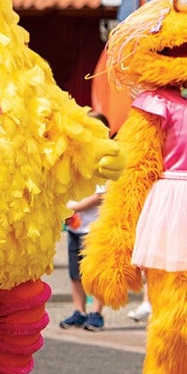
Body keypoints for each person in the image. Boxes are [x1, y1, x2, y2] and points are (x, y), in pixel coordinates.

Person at [58, 112, 111, 331]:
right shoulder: (76, 157)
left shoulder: (107, 160)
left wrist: (74, 208)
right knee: (75, 273)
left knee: (96, 274)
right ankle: (79, 311)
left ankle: (96, 313)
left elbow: (101, 195)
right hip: (75, 227)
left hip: (95, 227)